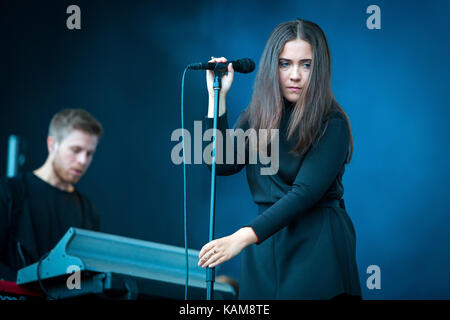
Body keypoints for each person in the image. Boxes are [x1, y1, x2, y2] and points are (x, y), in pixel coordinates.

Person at [198, 19, 362, 299]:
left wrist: (240, 238)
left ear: (319, 69)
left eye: (306, 64)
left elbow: (304, 193)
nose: (295, 75)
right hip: (266, 244)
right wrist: (217, 99)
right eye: (285, 64)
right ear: (271, 67)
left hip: (317, 246)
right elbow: (221, 163)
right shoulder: (257, 117)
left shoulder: (332, 123)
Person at [0, 109, 102, 281]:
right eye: (76, 150)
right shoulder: (10, 192)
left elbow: (78, 278)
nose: (83, 160)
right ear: (52, 144)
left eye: (89, 154)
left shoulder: (88, 212)